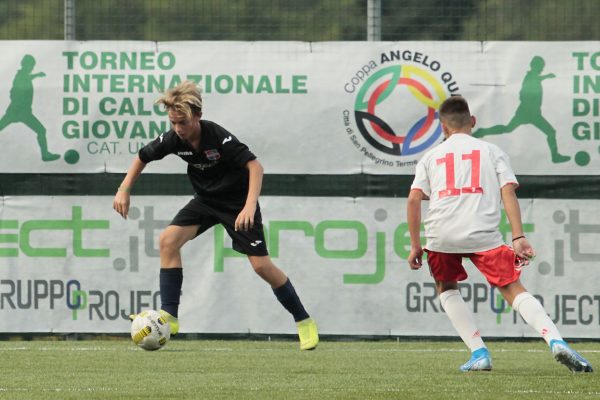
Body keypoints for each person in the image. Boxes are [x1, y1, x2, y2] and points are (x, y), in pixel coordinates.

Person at [113, 80, 318, 350]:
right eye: (173, 123)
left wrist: (249, 206)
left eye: (183, 123)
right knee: (167, 241)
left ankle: (304, 321)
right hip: (206, 201)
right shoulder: (174, 139)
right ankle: (170, 315)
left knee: (261, 267)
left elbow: (255, 167)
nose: (178, 129)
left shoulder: (218, 137)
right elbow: (142, 157)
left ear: (197, 116)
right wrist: (124, 189)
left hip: (237, 205)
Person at [407, 95, 592, 372]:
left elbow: (413, 199)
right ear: (473, 122)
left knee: (446, 287)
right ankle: (555, 341)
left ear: (442, 128)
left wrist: (415, 245)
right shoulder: (491, 151)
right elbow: (507, 191)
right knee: (511, 288)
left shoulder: (430, 157)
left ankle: (479, 353)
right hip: (483, 234)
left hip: (442, 236)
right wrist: (518, 236)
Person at [473, 56, 570, 164]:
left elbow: (536, 79)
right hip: (525, 112)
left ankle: (555, 157)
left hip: (534, 114)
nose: (542, 69)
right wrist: (546, 76)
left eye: (542, 67)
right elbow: (529, 86)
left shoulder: (532, 76)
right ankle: (482, 131)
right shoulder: (530, 77)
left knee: (549, 132)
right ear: (535, 66)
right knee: (508, 129)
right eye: (541, 67)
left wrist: (546, 77)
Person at [0, 54, 60, 162]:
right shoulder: (21, 77)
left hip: (20, 111)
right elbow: (14, 91)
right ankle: (45, 155)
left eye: (33, 66)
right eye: (31, 65)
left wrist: (37, 75)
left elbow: (26, 78)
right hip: (18, 111)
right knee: (41, 130)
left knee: (41, 130)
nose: (32, 68)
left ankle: (45, 155)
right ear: (25, 64)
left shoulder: (22, 75)